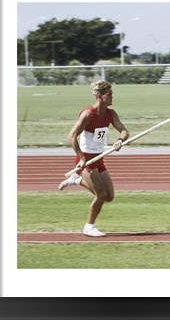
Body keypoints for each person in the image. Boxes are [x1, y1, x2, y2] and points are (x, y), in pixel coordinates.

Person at [58, 80, 129, 237]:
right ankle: (89, 226)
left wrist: (120, 140)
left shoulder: (111, 113)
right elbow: (71, 136)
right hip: (86, 160)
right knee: (101, 195)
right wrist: (81, 158)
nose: (112, 97)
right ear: (99, 96)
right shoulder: (88, 114)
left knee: (109, 196)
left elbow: (124, 131)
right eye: (109, 95)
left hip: (99, 157)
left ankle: (75, 180)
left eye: (112, 94)